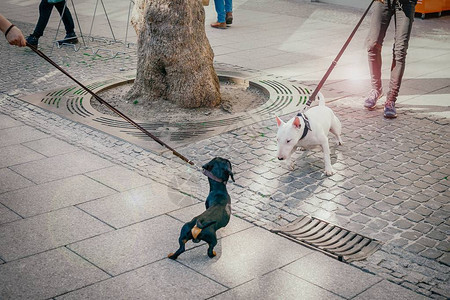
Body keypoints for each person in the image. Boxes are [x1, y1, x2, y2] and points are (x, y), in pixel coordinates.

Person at [363, 0, 417, 118]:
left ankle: (391, 99)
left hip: (406, 3)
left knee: (400, 50)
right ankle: (376, 89)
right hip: (383, 2)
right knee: (373, 44)